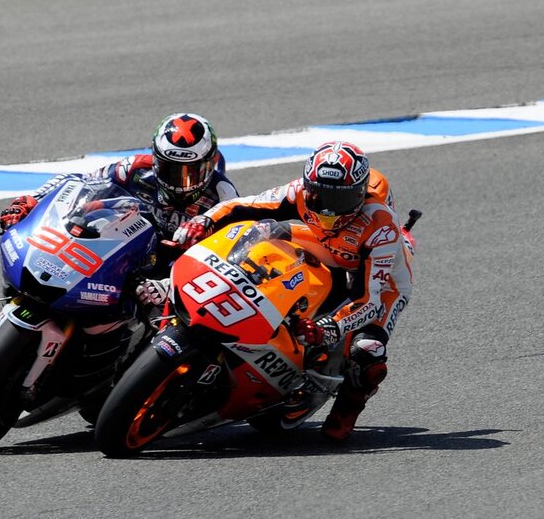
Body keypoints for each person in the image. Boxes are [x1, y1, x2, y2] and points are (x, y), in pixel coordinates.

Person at [172, 140, 416, 442]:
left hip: (382, 278)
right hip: (328, 246)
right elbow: (242, 205)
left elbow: (370, 300)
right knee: (263, 232)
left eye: (339, 199)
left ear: (360, 194)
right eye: (319, 194)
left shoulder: (381, 226)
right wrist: (203, 220)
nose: (326, 207)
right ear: (308, 183)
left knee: (367, 348)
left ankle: (349, 406)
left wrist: (332, 327)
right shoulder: (298, 191)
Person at [0, 113, 239, 304]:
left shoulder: (223, 195)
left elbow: (224, 260)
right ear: (155, 159)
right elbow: (78, 181)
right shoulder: (134, 168)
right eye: (170, 169)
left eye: (190, 172)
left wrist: (169, 286)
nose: (179, 181)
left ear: (210, 165)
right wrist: (30, 200)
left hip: (172, 272)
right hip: (123, 249)